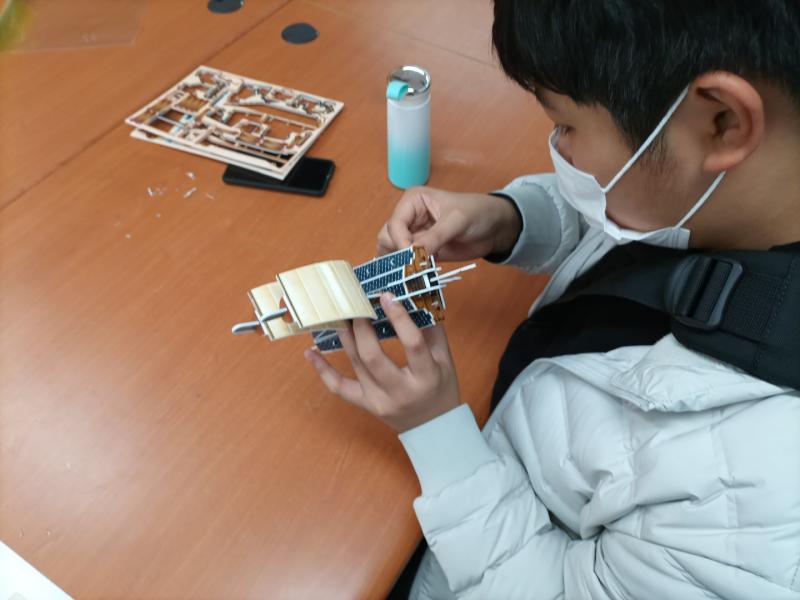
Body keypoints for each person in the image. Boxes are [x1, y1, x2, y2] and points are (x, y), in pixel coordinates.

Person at [304, 1, 800, 598]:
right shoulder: (755, 191)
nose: (558, 150)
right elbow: (647, 209)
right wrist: (510, 219)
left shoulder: (756, 501)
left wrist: (437, 434)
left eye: (566, 125)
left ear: (723, 121)